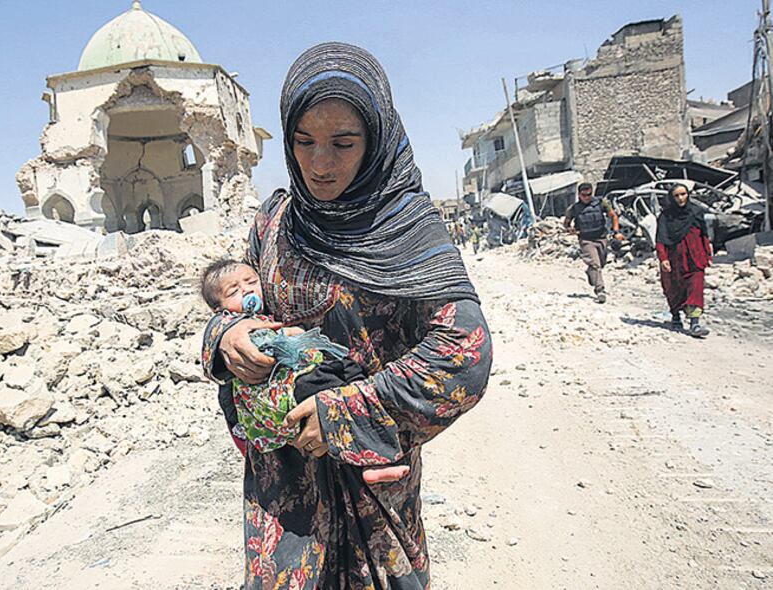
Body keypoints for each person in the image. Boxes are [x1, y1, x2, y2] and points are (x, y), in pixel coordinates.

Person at [202, 42, 492, 589]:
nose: (319, 164)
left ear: (376, 141)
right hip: (284, 480)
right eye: (303, 142)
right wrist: (226, 333)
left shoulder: (411, 230)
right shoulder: (276, 222)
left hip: (371, 475)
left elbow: (466, 353)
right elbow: (238, 296)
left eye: (343, 143)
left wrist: (346, 411)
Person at [200, 258, 410, 484]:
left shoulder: (265, 312)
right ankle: (367, 463)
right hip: (289, 387)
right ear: (218, 309)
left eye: (252, 281)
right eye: (234, 291)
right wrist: (289, 336)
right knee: (329, 406)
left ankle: (378, 450)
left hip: (311, 367)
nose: (247, 290)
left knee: (352, 377)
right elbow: (237, 377)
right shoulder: (235, 326)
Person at [655, 183, 713, 337]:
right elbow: (660, 239)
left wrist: (707, 252)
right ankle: (675, 315)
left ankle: (695, 323)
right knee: (674, 287)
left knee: (696, 287)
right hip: (675, 258)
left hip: (695, 256)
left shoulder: (696, 212)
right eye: (677, 195)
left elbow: (704, 234)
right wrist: (663, 258)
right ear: (671, 198)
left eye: (683, 194)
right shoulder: (666, 217)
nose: (681, 198)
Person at [563, 182, 624, 303]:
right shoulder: (574, 208)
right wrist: (571, 230)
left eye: (589, 194)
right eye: (584, 195)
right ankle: (600, 291)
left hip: (601, 237)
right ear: (579, 195)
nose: (587, 197)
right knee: (595, 264)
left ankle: (591, 273)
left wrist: (616, 231)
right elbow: (566, 223)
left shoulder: (601, 203)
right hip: (586, 240)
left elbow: (613, 216)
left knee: (601, 263)